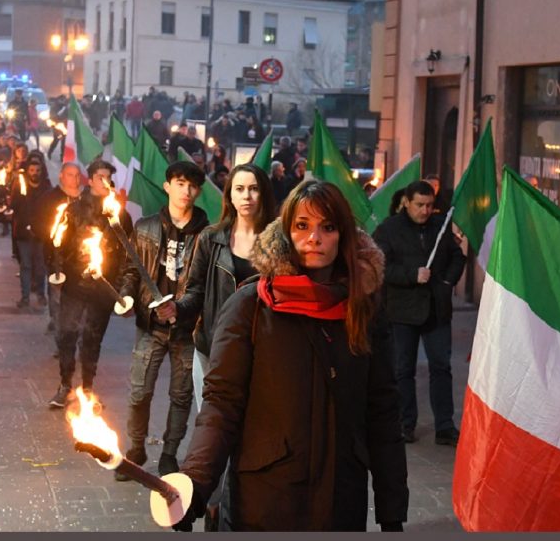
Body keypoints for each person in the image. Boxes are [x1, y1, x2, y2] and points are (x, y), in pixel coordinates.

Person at [171, 180, 408, 532]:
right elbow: (221, 404)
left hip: (340, 502)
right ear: (286, 233)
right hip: (264, 502)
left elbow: (383, 412)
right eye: (302, 226)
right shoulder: (250, 306)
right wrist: (196, 483)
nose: (315, 238)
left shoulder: (363, 310)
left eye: (327, 227)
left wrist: (391, 511)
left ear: (343, 235)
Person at [157, 164, 276, 530]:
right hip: (213, 351)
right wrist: (177, 306)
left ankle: (240, 501)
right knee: (215, 424)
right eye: (239, 189)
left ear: (263, 194)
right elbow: (194, 290)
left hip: (264, 353)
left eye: (253, 188)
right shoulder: (212, 238)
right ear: (229, 195)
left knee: (252, 430)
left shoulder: (278, 240)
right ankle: (211, 503)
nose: (246, 196)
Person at [116, 161, 209, 479]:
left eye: (193, 185)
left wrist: (183, 310)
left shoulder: (206, 236)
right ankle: (136, 449)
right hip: (150, 325)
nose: (186, 190)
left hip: (186, 328)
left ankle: (169, 453)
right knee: (139, 390)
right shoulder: (144, 228)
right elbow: (131, 270)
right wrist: (127, 296)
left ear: (199, 191)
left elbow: (205, 284)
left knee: (181, 395)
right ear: (167, 186)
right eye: (180, 182)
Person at [372, 180, 466, 446]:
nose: (425, 211)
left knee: (441, 367)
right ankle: (405, 423)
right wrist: (412, 275)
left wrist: (447, 282)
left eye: (429, 205)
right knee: (403, 369)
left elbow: (458, 258)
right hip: (402, 310)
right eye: (420, 205)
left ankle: (445, 426)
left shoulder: (440, 227)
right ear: (407, 203)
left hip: (436, 308)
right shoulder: (389, 230)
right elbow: (380, 267)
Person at [48, 159, 134, 408]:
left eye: (109, 177)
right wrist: (57, 271)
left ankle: (88, 389)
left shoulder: (119, 215)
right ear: (91, 179)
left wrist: (120, 285)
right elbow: (57, 245)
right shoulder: (73, 210)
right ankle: (65, 385)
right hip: (75, 284)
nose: (105, 182)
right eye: (100, 176)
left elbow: (127, 251)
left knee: (92, 337)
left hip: (103, 286)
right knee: (67, 333)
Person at [37, 162, 82, 336]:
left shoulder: (85, 199)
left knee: (80, 299)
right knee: (57, 298)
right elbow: (38, 223)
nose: (75, 178)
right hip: (56, 258)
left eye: (77, 175)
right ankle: (61, 335)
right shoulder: (50, 198)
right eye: (70, 174)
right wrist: (53, 235)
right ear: (61, 176)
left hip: (80, 259)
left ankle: (75, 333)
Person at [10, 158, 51, 309]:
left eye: (38, 170)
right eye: (32, 170)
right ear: (28, 171)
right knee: (26, 265)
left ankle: (41, 294)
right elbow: (12, 205)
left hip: (40, 233)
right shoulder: (20, 184)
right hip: (23, 232)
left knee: (40, 266)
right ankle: (25, 297)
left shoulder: (46, 187)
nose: (35, 173)